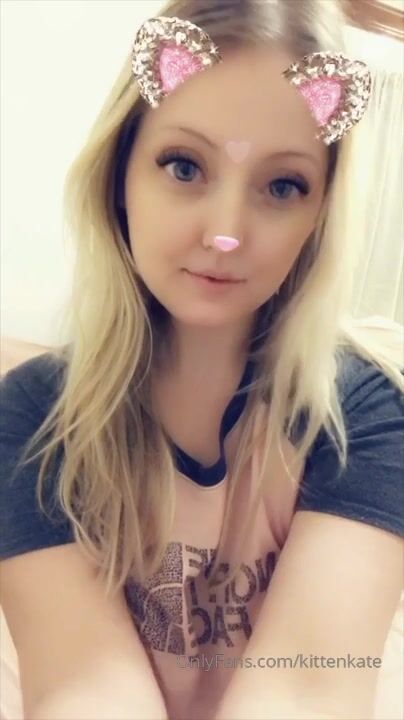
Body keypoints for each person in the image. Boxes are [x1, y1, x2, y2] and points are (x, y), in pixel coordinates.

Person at [0, 1, 403, 719]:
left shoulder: (362, 414)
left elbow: (310, 689)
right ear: (120, 177)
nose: (226, 233)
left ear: (318, 216)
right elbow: (83, 688)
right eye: (184, 166)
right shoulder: (32, 421)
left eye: (283, 186)